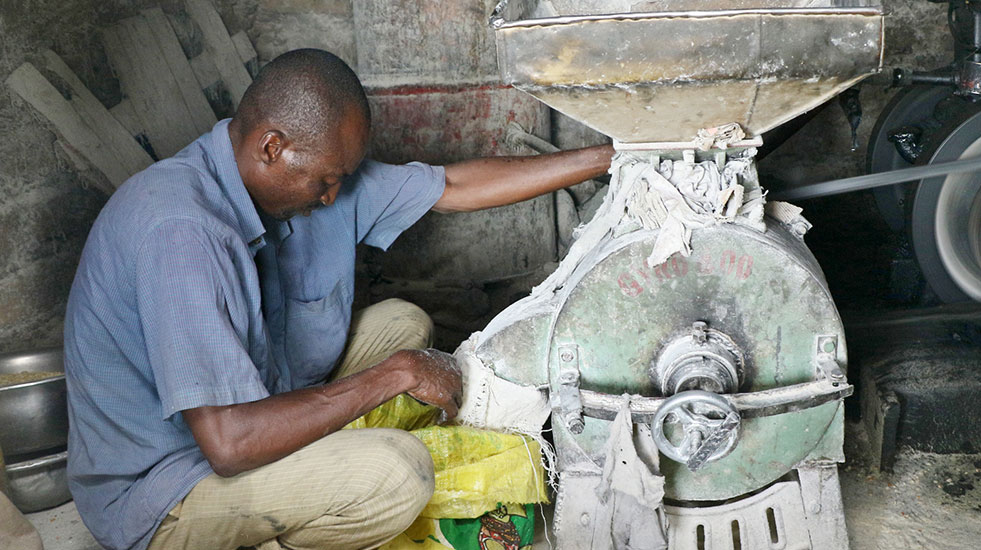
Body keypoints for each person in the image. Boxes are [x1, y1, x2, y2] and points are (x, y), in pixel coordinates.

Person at [63, 48, 612, 550]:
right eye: (325, 180)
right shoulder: (182, 231)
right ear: (272, 146)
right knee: (398, 474)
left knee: (403, 322)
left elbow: (454, 187)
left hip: (259, 396)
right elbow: (228, 444)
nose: (332, 197)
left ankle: (318, 467)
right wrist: (395, 375)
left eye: (340, 179)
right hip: (169, 485)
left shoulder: (299, 177)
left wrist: (611, 159)